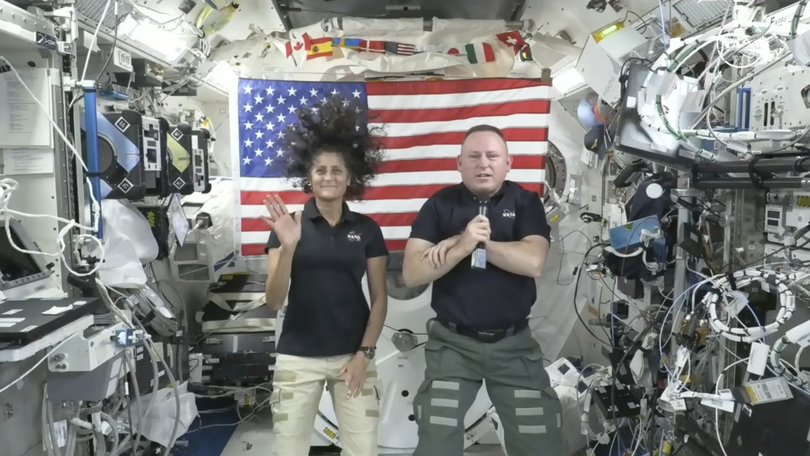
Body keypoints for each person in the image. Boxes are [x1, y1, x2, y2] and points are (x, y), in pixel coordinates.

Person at [402, 124, 563, 456]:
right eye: (474, 157)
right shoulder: (439, 205)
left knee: (539, 441)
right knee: (436, 440)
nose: (483, 164)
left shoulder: (525, 203)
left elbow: (533, 262)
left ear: (508, 162)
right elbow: (413, 273)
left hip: (513, 347)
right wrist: (461, 247)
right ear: (459, 163)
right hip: (453, 347)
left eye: (492, 156)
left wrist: (483, 244)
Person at [263, 97, 388, 456]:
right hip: (298, 359)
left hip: (354, 356)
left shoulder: (367, 229)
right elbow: (273, 300)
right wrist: (288, 247)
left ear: (351, 177)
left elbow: (379, 298)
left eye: (337, 170)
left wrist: (364, 353)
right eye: (321, 170)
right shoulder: (288, 225)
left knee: (363, 450)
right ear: (309, 176)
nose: (329, 177)